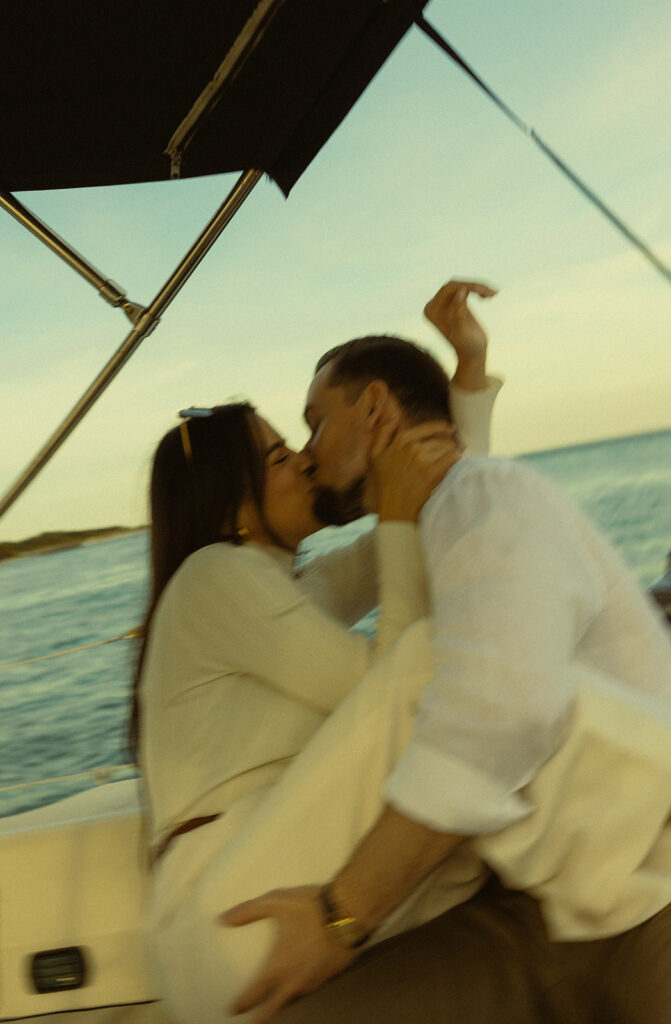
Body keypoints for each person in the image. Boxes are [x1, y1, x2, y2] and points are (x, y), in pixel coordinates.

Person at [223, 287, 671, 1023]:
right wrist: (468, 371)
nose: (307, 455)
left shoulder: (485, 498)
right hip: (537, 912)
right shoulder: (440, 519)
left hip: (658, 885)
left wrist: (341, 919)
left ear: (374, 409)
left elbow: (497, 716)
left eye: (314, 424)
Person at [136, 282, 502, 1023]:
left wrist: (466, 378)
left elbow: (429, 513)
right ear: (226, 495)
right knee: (442, 659)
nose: (304, 462)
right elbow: (394, 683)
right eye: (277, 456)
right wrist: (397, 515)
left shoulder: (281, 582)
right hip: (231, 909)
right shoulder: (216, 577)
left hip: (259, 880)